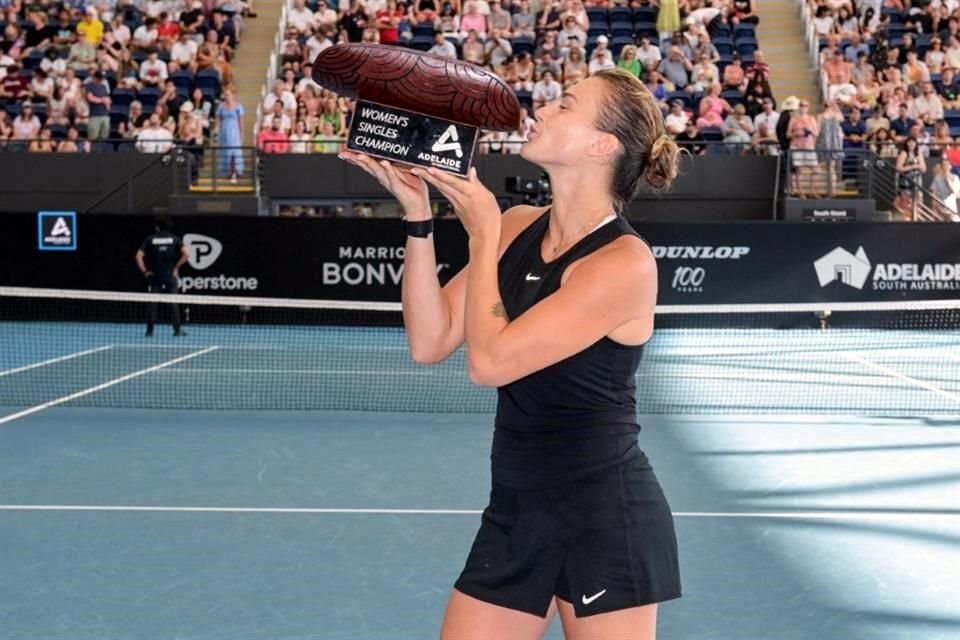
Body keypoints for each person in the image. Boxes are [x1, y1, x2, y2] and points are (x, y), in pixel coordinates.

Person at [339, 68, 682, 639]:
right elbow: (431, 341)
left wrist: (481, 234)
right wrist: (419, 218)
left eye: (565, 105)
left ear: (603, 145)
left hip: (604, 516)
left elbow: (490, 362)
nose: (542, 111)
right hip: (517, 510)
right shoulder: (519, 224)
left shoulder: (624, 263)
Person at [135, 217, 189, 337]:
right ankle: (177, 330)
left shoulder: (150, 239)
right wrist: (176, 268)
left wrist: (145, 271)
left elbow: (138, 256)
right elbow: (187, 253)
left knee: (152, 305)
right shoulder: (175, 239)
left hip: (155, 277)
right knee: (174, 303)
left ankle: (149, 331)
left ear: (157, 227)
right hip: (170, 276)